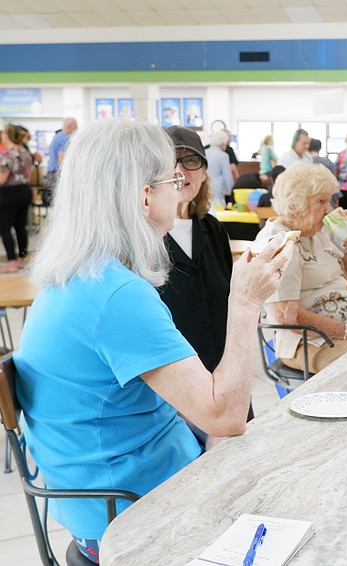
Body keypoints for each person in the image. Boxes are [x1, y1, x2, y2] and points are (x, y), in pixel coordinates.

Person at [12, 119, 294, 563]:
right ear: (146, 196)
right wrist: (244, 301)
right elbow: (225, 415)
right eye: (171, 180)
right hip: (136, 515)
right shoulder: (115, 295)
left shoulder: (78, 275)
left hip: (115, 493)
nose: (179, 190)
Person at [256, 164, 347, 373]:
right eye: (321, 201)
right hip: (305, 341)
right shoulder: (280, 241)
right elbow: (286, 317)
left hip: (340, 335)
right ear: (295, 205)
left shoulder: (316, 233)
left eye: (329, 200)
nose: (329, 208)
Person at [159, 126, 233, 372]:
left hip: (222, 371)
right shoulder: (143, 237)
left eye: (190, 160)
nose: (180, 170)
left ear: (203, 173)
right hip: (172, 384)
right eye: (170, 161)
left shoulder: (214, 231)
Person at [0, 124, 34, 273]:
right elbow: (30, 174)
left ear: (7, 135)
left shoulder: (8, 154)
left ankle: (11, 262)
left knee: (4, 227)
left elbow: (2, 178)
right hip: (24, 190)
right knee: (21, 227)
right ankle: (21, 259)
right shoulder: (25, 151)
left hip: (9, 193)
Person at [43, 117, 77, 206]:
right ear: (70, 126)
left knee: (53, 201)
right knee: (59, 202)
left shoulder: (58, 136)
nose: (76, 130)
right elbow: (61, 159)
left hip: (51, 172)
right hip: (57, 173)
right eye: (75, 127)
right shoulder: (65, 138)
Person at [204, 129, 235, 208]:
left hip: (204, 186)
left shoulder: (204, 152)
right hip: (217, 190)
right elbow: (227, 177)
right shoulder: (223, 156)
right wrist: (229, 191)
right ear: (223, 142)